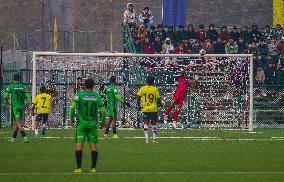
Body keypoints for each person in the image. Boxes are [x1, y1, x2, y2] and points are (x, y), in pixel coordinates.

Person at [69, 78, 106, 173]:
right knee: (93, 146)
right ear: (93, 86)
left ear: (84, 85)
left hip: (81, 125)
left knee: (79, 146)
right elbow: (103, 111)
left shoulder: (79, 95)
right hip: (92, 125)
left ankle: (79, 168)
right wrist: (102, 123)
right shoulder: (97, 96)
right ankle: (93, 168)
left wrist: (72, 120)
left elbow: (72, 108)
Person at [4, 74, 32, 143]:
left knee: (17, 122)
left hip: (15, 107)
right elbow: (28, 96)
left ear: (13, 79)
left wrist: (7, 101)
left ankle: (25, 137)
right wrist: (29, 103)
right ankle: (13, 139)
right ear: (19, 79)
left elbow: (5, 96)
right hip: (22, 106)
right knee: (17, 123)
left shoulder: (10, 86)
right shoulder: (23, 86)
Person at [137, 76, 162, 143]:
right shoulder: (155, 89)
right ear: (153, 81)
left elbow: (138, 97)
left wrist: (139, 106)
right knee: (154, 124)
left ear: (146, 81)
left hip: (145, 109)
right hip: (153, 109)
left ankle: (147, 140)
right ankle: (154, 139)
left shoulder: (142, 88)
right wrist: (161, 105)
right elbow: (158, 99)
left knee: (146, 123)